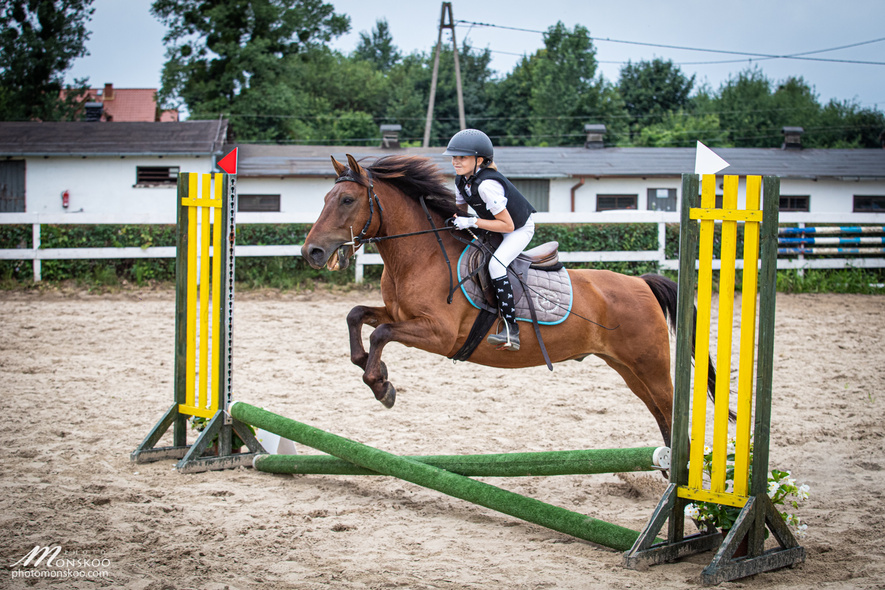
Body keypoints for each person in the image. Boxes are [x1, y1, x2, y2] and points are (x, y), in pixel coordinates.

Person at [443, 129, 536, 351]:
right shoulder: (461, 181)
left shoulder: (486, 185)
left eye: (462, 157)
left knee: (496, 265)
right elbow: (460, 211)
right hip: (494, 226)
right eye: (454, 157)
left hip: (517, 229)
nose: (455, 162)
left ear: (480, 160)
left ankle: (510, 329)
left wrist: (472, 222)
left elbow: (508, 225)